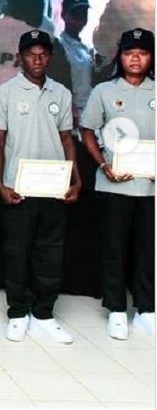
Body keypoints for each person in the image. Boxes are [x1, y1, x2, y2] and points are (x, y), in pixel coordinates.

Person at [0, 30, 81, 344]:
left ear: (50, 57)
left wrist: (76, 179)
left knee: (50, 252)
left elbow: (67, 139)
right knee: (17, 251)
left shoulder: (61, 93)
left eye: (43, 54)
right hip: (18, 187)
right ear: (21, 57)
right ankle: (18, 313)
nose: (37, 59)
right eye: (31, 54)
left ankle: (44, 313)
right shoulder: (4, 93)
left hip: (54, 187)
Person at [80, 28, 155, 339]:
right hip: (114, 185)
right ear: (120, 56)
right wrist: (103, 164)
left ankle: (147, 309)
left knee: (148, 248)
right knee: (114, 247)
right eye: (129, 53)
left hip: (150, 186)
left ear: (151, 57)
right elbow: (87, 130)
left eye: (142, 53)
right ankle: (116, 309)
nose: (135, 58)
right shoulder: (104, 91)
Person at [58, 0, 94, 124]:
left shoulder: (87, 48)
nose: (80, 19)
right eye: (75, 14)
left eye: (83, 14)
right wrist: (71, 110)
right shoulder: (59, 46)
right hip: (70, 117)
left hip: (88, 114)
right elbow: (58, 84)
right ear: (63, 15)